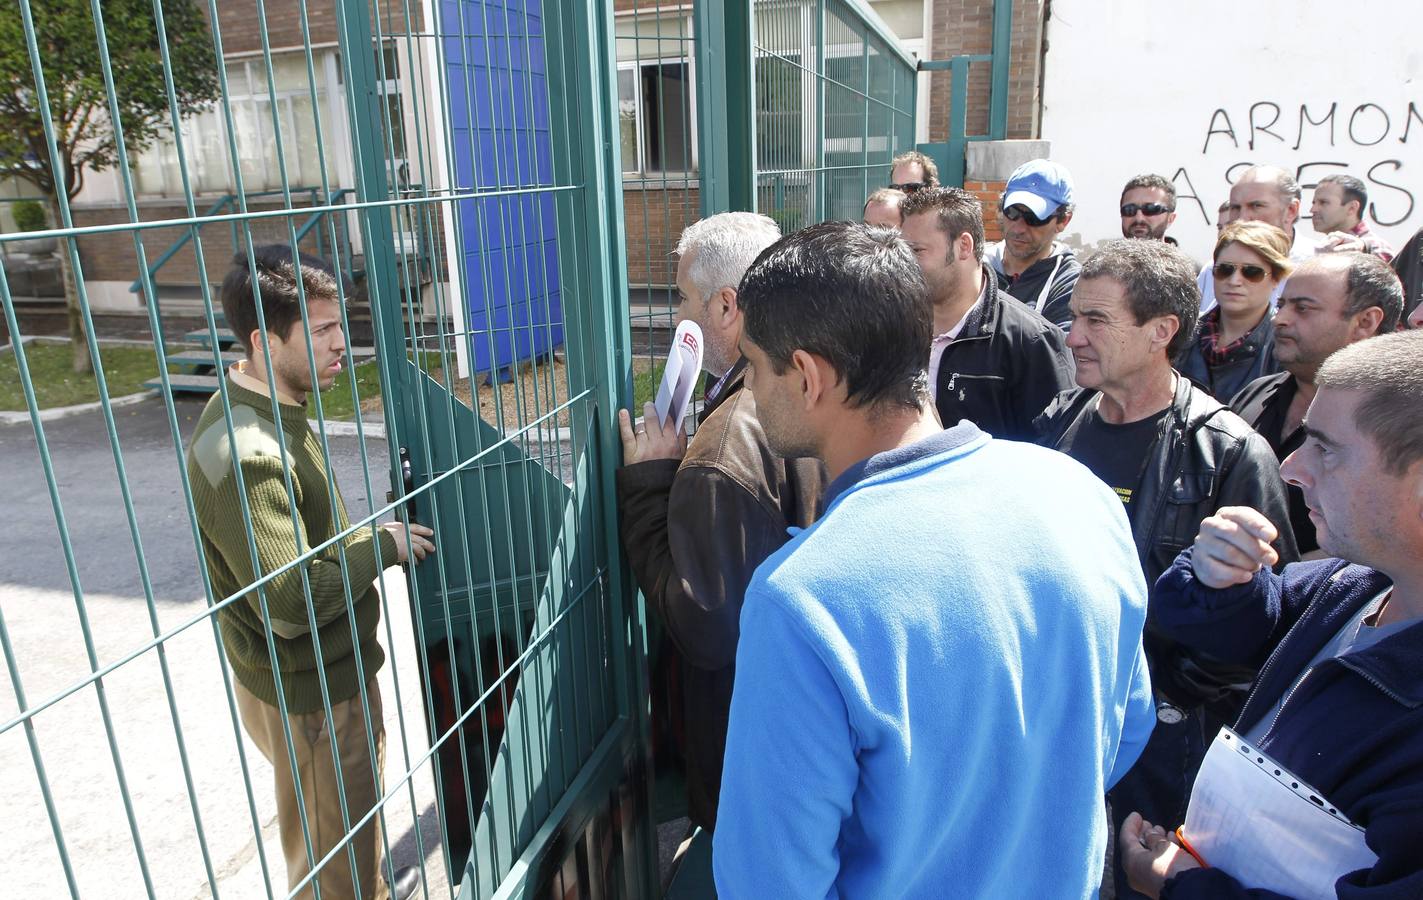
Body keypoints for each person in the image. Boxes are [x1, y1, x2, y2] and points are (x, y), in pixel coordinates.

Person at [714, 221, 1155, 898]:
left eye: (752, 362)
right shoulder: (1080, 495)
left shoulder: (802, 598)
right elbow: (1123, 727)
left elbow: (768, 878)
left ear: (806, 375)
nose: (747, 384)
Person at [1035, 238, 1298, 900]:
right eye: (1074, 317)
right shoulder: (1054, 425)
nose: (1073, 336)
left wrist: (1168, 699)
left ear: (1161, 331)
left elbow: (1269, 624)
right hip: (1056, 724)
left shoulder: (1229, 453)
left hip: (1164, 749)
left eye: (1095, 319)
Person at [1120, 330, 1423, 900]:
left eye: (1326, 448)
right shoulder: (1354, 586)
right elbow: (1240, 623)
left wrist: (1181, 887)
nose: (1291, 467)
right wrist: (1217, 578)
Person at [187, 246, 429, 900]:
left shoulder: (276, 403)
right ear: (264, 341)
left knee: (347, 838)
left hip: (324, 674)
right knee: (333, 871)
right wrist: (382, 546)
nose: (341, 343)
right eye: (321, 331)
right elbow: (290, 600)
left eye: (339, 325)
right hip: (313, 690)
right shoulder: (246, 453)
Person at [615, 212, 825, 834]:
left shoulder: (729, 438)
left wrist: (651, 486)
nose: (676, 312)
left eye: (681, 297)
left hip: (745, 741)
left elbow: (704, 625)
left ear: (727, 305)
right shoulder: (803, 381)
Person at [1230, 253, 1402, 556]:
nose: (1279, 318)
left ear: (1366, 321)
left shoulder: (1398, 423)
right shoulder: (1255, 395)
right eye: (1282, 304)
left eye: (1303, 308)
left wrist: (1296, 577)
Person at [898, 186, 1074, 440]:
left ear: (964, 246)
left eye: (916, 251)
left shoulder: (1033, 341)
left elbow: (1054, 448)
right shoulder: (894, 328)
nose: (904, 263)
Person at [1177, 221, 1291, 401]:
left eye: (1252, 272)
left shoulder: (1286, 346)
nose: (1234, 280)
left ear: (1276, 278)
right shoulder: (1181, 334)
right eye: (1225, 270)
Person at [1200, 165, 1317, 313]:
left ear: (1291, 210)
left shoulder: (1318, 267)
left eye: (1256, 206)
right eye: (1235, 208)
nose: (1242, 218)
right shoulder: (1215, 269)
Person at [985, 158, 1081, 330]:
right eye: (1012, 212)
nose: (1019, 227)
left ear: (1063, 221)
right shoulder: (977, 264)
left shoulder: (1071, 283)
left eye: (1034, 218)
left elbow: (1058, 351)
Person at [1310, 174, 1394, 261]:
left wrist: (1365, 249)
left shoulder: (1374, 248)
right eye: (1314, 203)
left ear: (1352, 208)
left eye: (1323, 202)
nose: (1313, 209)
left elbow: (1382, 258)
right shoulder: (1323, 247)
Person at [1121, 174, 1178, 242]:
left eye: (1151, 209)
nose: (1139, 218)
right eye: (1129, 210)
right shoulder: (1106, 252)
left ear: (1170, 218)